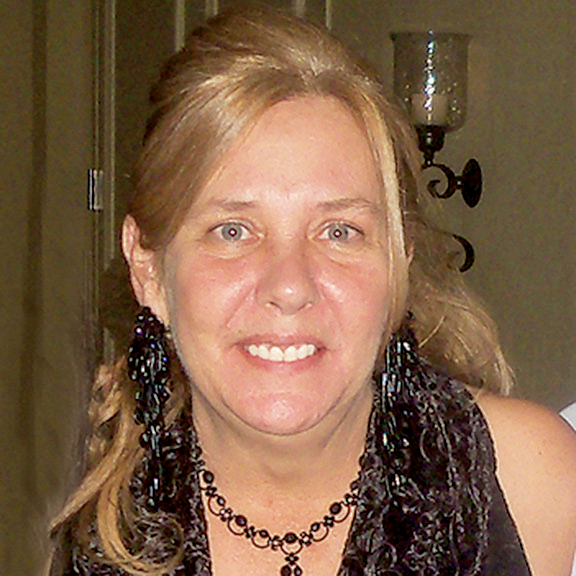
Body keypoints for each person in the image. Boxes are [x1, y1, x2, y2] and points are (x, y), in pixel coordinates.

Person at [48, 7, 576, 576]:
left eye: (339, 231)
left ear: (399, 264)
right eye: (233, 231)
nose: (290, 287)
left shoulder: (531, 481)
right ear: (148, 268)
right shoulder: (95, 518)